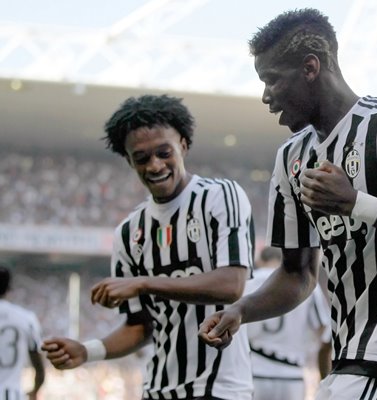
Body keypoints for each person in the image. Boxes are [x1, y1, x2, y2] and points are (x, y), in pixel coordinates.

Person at [199, 8, 377, 399]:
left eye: (272, 80)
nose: (265, 96)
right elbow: (297, 274)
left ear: (310, 67)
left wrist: (357, 204)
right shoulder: (292, 158)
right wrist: (242, 310)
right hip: (347, 360)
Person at [42, 94, 255, 400]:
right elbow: (140, 327)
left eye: (163, 152)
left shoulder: (221, 196)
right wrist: (87, 351)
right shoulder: (128, 233)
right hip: (156, 390)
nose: (155, 165)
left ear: (183, 144)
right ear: (129, 160)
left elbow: (231, 284)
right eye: (141, 158)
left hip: (219, 388)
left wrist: (142, 283)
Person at [246, 246, 331, 400]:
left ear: (260, 260)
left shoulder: (250, 282)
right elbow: (325, 332)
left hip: (254, 373)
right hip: (292, 375)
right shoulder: (304, 284)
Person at [0, 265, 45, 400]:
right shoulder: (26, 318)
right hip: (12, 395)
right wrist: (34, 390)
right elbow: (39, 368)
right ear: (9, 289)